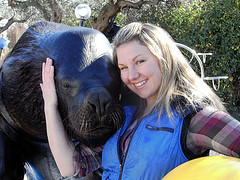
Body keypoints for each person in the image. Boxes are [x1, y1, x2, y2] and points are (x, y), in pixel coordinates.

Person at [41, 22, 240, 179]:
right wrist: (50, 104)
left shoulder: (196, 118)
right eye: (123, 67)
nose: (132, 75)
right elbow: (70, 166)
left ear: (164, 59)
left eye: (140, 61)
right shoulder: (124, 115)